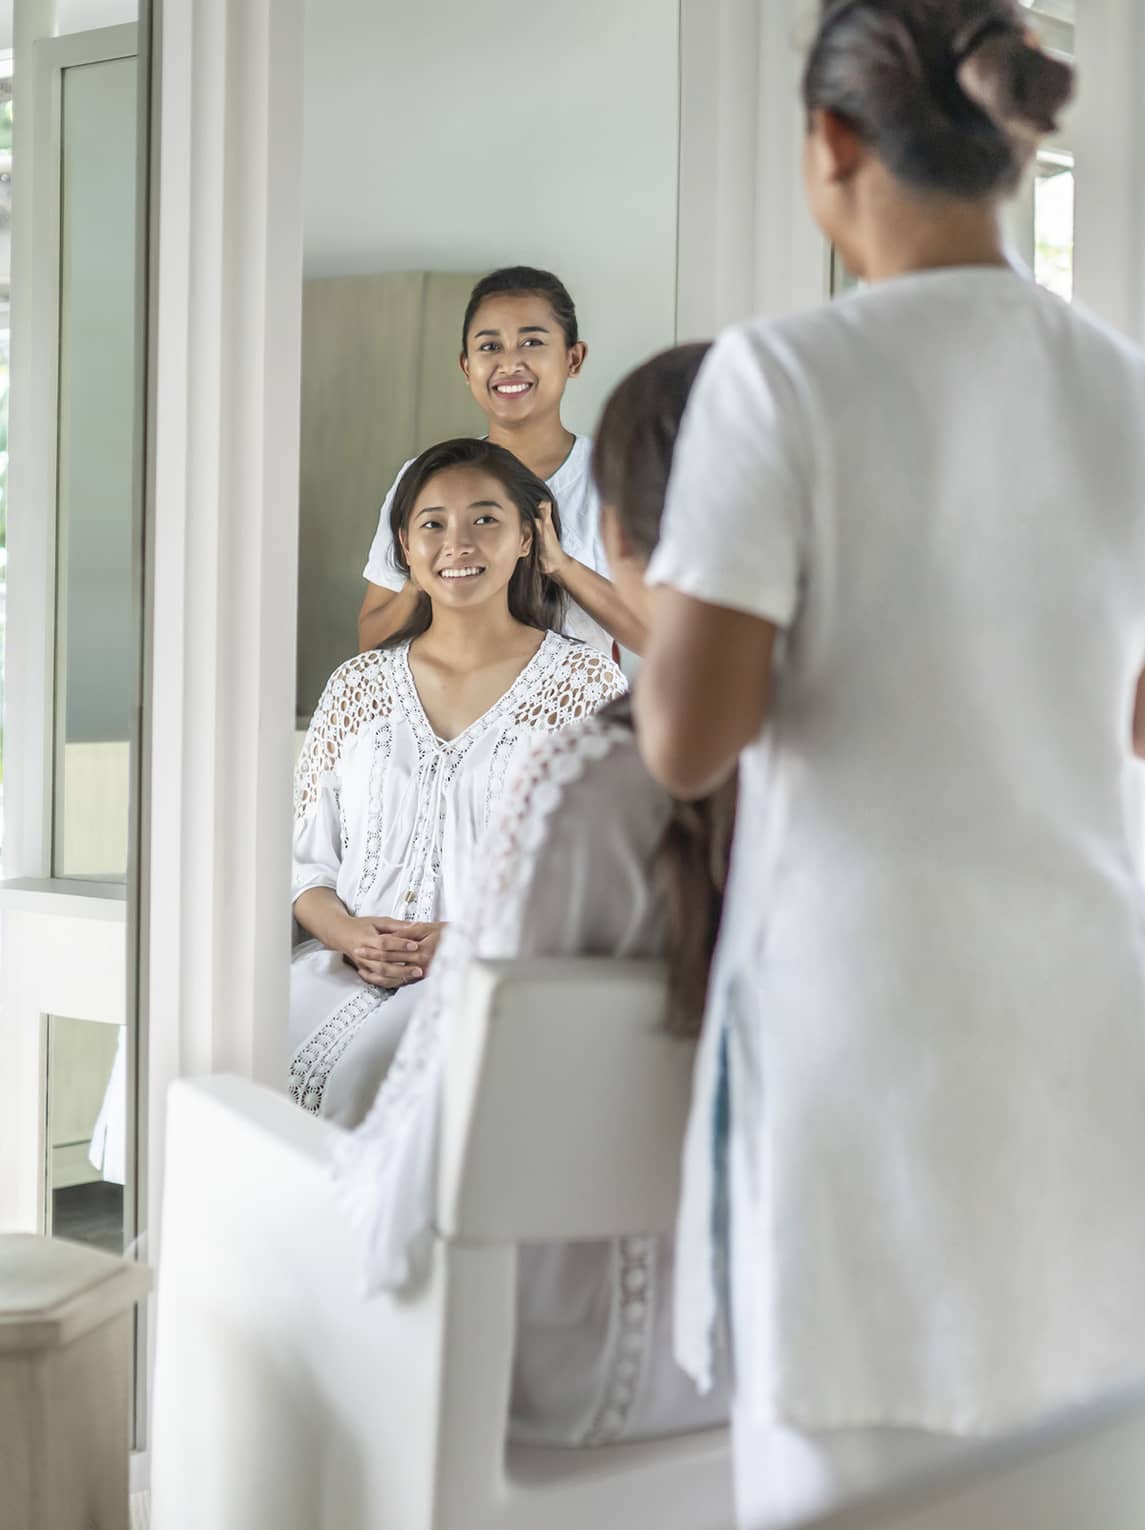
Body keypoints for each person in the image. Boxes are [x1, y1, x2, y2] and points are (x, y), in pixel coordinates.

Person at [635, 4, 1145, 1525]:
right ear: (1006, 141)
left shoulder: (779, 383)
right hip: (1087, 1039)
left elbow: (686, 736)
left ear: (832, 143)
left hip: (870, 1050)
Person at [330, 343, 733, 1447]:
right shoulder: (878, 761)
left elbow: (411, 1165)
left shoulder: (597, 777)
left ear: (619, 538)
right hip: (785, 1342)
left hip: (558, 1363)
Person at [291, 437, 626, 1126]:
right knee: (216, 1055)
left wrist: (475, 934)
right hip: (339, 970)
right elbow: (305, 867)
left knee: (374, 1079)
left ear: (530, 538)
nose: (457, 543)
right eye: (433, 524)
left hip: (498, 977)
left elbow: (604, 882)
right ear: (404, 547)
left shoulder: (587, 687)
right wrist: (349, 935)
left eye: (485, 519)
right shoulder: (356, 687)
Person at [356, 266, 646, 657]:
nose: (509, 363)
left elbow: (658, 637)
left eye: (531, 342)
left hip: (578, 715)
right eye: (490, 347)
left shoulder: (618, 481)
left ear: (573, 358)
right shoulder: (425, 479)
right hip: (449, 716)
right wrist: (422, 574)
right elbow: (370, 644)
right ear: (466, 366)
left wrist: (561, 565)